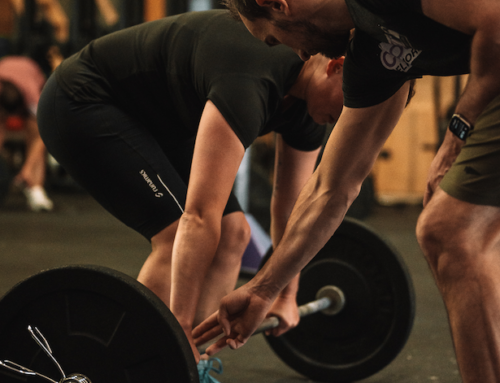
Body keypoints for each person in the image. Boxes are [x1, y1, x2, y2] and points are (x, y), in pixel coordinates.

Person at [36, 9, 355, 382]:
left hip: (158, 122)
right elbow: (198, 218)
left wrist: (285, 293)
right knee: (175, 236)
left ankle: (191, 369)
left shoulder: (311, 108)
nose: (350, 120)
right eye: (350, 105)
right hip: (83, 101)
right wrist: (179, 327)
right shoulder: (249, 80)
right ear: (335, 66)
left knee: (235, 233)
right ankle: (128, 365)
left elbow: (291, 207)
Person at [192, 1, 500, 382]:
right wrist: (263, 288)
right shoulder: (371, 52)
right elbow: (330, 188)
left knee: (451, 231)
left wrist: (458, 134)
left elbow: (496, 25)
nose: (302, 55)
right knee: (450, 235)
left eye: (275, 40)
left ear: (279, 5)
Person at [0, 56, 54, 211]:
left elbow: (42, 137)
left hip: (30, 74)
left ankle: (36, 189)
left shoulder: (31, 93)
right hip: (7, 73)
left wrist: (26, 169)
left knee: (34, 129)